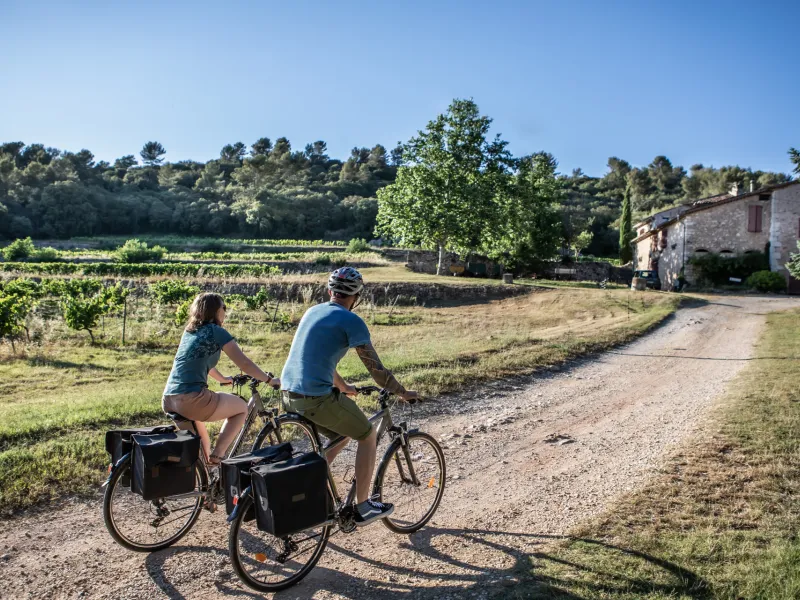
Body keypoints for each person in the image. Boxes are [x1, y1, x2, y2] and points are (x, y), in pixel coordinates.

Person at [280, 267, 418, 526]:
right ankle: (364, 507)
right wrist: (402, 392)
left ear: (329, 291)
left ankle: (310, 487)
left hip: (288, 394)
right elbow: (376, 371)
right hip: (315, 398)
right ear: (357, 297)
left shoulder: (313, 311)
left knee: (341, 436)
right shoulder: (351, 321)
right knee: (367, 435)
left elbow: (318, 358)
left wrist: (342, 386)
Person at [163, 292, 280, 465]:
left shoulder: (190, 331)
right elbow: (244, 363)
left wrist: (223, 378)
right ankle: (219, 457)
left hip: (169, 398)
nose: (225, 311)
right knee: (241, 408)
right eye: (224, 307)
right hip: (191, 398)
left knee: (202, 449)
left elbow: (202, 362)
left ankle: (205, 479)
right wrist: (270, 380)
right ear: (216, 311)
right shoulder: (216, 332)